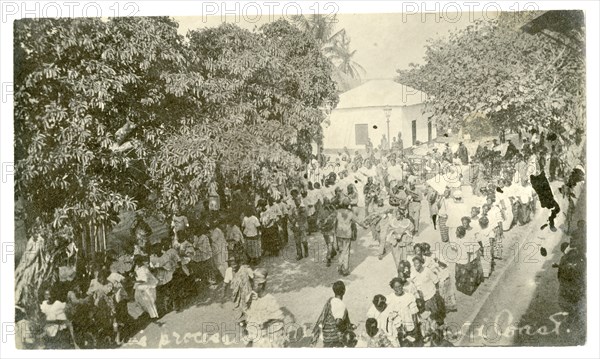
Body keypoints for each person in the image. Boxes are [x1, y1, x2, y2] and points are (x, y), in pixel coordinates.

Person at [244, 268, 288, 348]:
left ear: (261, 285)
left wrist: (266, 323)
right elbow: (248, 312)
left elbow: (278, 318)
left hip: (268, 337)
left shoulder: (270, 300)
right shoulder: (251, 297)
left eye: (254, 285)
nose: (252, 288)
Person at [411, 256, 445, 341]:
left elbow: (436, 281)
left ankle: (441, 333)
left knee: (435, 316)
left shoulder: (427, 270)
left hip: (431, 297)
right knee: (427, 319)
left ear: (421, 263)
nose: (416, 265)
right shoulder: (413, 273)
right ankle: (431, 335)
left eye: (417, 263)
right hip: (422, 301)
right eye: (414, 264)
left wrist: (436, 294)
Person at [312, 281, 353, 348]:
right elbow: (338, 322)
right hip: (335, 341)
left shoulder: (330, 301)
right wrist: (347, 327)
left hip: (326, 338)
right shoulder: (340, 304)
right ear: (344, 291)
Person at [335, 197, 367, 276]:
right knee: (346, 252)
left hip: (339, 233)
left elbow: (333, 221)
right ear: (348, 205)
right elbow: (358, 221)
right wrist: (364, 226)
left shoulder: (337, 212)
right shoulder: (350, 213)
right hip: (346, 234)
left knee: (341, 250)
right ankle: (345, 269)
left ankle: (340, 266)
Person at [386, 277, 422, 347]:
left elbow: (414, 313)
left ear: (402, 285)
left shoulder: (409, 296)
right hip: (399, 329)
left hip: (411, 327)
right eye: (395, 287)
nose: (398, 288)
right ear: (393, 288)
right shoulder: (390, 298)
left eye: (400, 286)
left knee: (415, 344)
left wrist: (415, 328)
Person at [386, 208, 414, 276]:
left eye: (398, 214)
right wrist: (394, 233)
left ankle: (406, 272)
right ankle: (400, 273)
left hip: (405, 241)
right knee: (397, 258)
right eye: (396, 214)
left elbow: (411, 229)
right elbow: (389, 230)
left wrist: (404, 233)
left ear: (402, 215)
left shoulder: (408, 222)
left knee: (405, 258)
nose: (397, 216)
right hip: (395, 242)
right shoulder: (392, 222)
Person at [132, 255, 159, 320]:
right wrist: (134, 274)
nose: (137, 263)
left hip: (148, 285)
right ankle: (147, 313)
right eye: (136, 262)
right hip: (141, 284)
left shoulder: (144, 268)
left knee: (148, 300)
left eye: (138, 261)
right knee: (138, 297)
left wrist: (134, 281)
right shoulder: (137, 267)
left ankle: (154, 316)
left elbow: (144, 280)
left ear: (140, 261)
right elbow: (136, 273)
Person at [317, 197, 338, 266]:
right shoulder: (322, 210)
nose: (327, 204)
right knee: (328, 243)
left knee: (329, 243)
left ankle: (328, 257)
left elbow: (335, 216)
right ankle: (333, 251)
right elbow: (318, 219)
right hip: (325, 229)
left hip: (330, 228)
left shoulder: (332, 209)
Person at [289, 195, 309, 260]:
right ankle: (299, 254)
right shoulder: (294, 209)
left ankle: (306, 251)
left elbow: (305, 217)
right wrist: (292, 221)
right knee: (297, 242)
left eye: (297, 200)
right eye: (295, 201)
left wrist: (297, 218)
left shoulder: (303, 208)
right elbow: (291, 216)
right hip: (296, 227)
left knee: (304, 241)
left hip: (302, 226)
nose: (296, 202)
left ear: (300, 201)